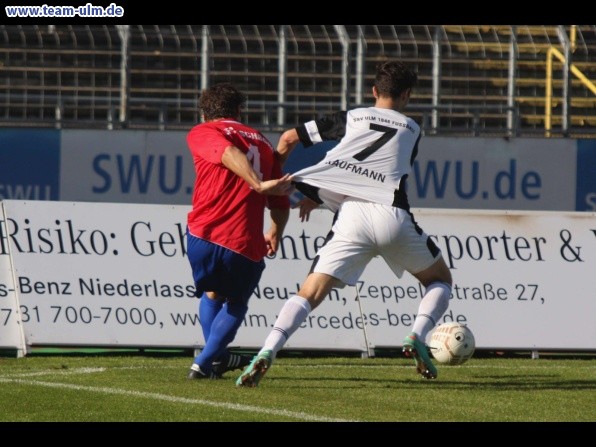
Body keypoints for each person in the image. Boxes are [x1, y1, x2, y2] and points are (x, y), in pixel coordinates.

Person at [236, 60, 453, 387]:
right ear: (407, 94)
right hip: (392, 215)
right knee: (440, 280)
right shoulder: (413, 128)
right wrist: (323, 193)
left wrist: (288, 175)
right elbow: (377, 170)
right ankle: (418, 335)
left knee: (309, 292)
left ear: (374, 91)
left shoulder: (351, 117)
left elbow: (289, 138)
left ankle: (268, 350)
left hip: (351, 218)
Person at [185, 82, 292, 379]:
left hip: (202, 234)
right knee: (236, 302)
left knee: (212, 292)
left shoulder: (204, 131)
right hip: (243, 240)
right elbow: (280, 200)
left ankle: (216, 360)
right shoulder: (262, 142)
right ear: (238, 111)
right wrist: (275, 231)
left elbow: (228, 151)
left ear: (205, 112)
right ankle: (204, 362)